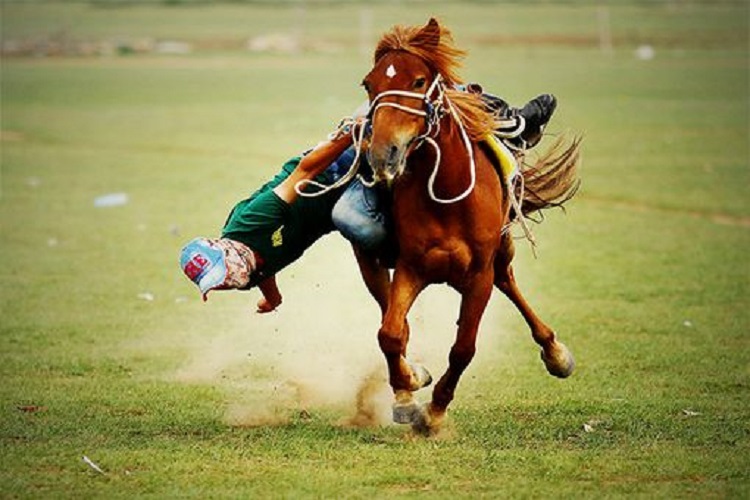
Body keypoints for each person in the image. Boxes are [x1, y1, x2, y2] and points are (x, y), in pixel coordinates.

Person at [179, 92, 557, 311]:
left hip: (332, 170)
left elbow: (304, 173)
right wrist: (272, 298)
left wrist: (347, 136)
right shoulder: (243, 273)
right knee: (365, 236)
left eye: (221, 272)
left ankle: (512, 125)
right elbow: (264, 267)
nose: (227, 281)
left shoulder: (252, 220)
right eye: (218, 283)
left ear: (223, 248)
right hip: (327, 201)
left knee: (403, 109)